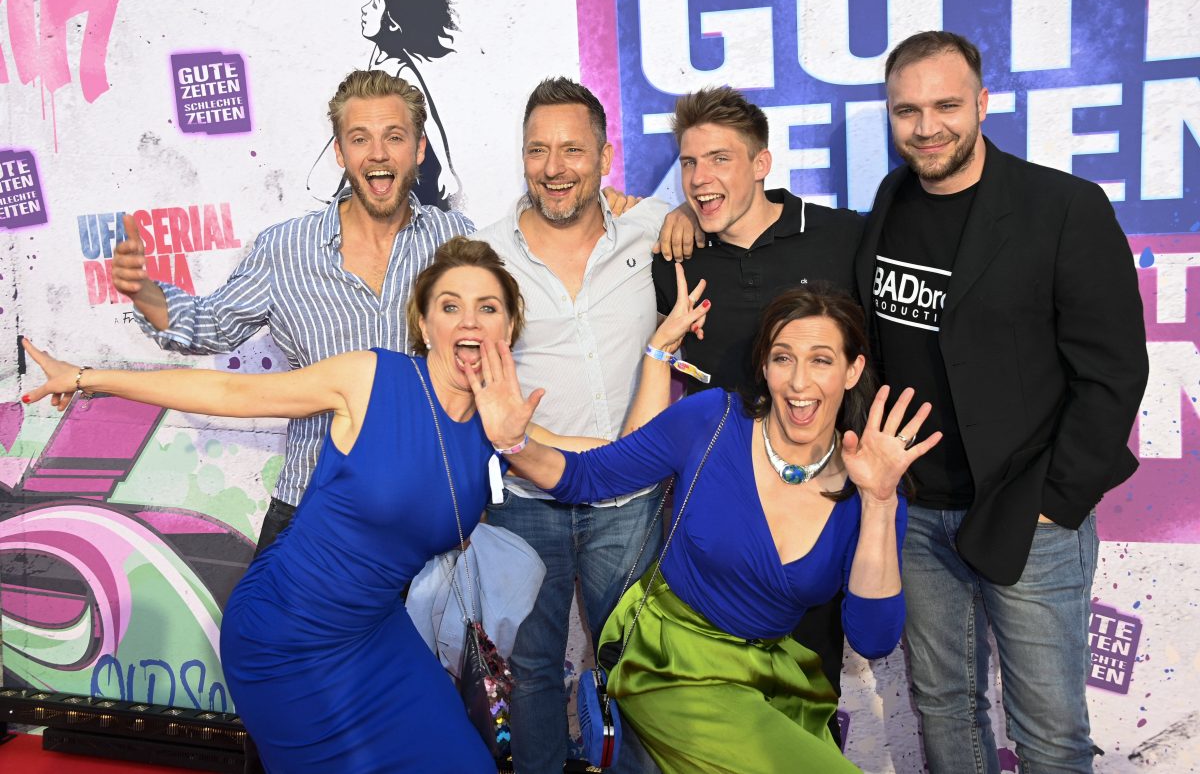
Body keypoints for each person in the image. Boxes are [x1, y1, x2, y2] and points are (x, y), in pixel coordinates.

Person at [21, 236, 707, 772]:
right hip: (284, 635)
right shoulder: (371, 377)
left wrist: (657, 353)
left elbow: (617, 464)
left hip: (374, 636)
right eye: (450, 306)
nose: (468, 321)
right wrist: (86, 378)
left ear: (508, 328)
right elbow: (231, 394)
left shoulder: (504, 426)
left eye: (488, 307)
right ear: (424, 322)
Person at [471, 285, 941, 774]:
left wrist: (880, 502)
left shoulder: (873, 483)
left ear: (853, 370)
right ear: (765, 367)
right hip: (669, 658)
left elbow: (873, 638)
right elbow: (590, 476)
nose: (800, 381)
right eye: (783, 358)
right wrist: (514, 444)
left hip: (770, 676)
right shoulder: (711, 420)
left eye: (821, 360)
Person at [855, 31, 1148, 773]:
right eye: (907, 111)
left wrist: (1056, 500)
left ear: (983, 104)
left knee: (1049, 734)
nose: (927, 127)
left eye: (946, 106)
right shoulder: (889, 201)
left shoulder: (1063, 207)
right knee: (945, 708)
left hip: (1027, 511)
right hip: (919, 511)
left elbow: (1114, 370)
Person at [111, 70, 474, 559]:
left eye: (394, 136)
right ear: (340, 153)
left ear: (419, 148)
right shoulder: (285, 249)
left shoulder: (456, 243)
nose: (378, 153)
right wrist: (145, 293)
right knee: (266, 615)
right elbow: (209, 326)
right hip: (312, 510)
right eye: (359, 139)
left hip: (426, 516)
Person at [476, 76, 696, 773]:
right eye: (537, 150)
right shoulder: (484, 256)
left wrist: (681, 213)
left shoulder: (653, 228)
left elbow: (713, 218)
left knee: (635, 669)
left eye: (572, 149)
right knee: (532, 673)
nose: (554, 167)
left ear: (606, 156)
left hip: (629, 503)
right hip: (525, 499)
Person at [651, 86, 866, 730]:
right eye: (690, 163)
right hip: (716, 523)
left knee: (807, 702)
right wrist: (675, 214)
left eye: (720, 159)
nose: (700, 178)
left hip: (815, 512)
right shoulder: (676, 259)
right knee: (712, 718)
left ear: (762, 163)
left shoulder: (841, 238)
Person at [359, 0, 462, 207]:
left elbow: (430, 120)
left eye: (374, 4)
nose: (364, 9)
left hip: (414, 177)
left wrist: (446, 170)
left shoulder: (400, 70)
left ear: (392, 23)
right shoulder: (381, 54)